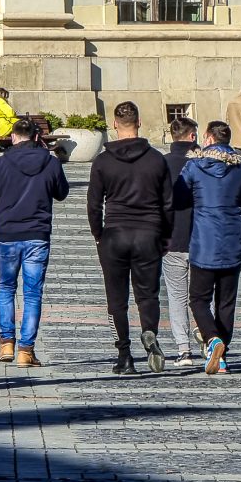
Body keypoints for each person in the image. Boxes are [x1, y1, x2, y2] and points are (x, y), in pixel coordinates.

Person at [0, 119, 70, 367]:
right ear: (36, 137)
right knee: (32, 293)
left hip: (7, 236)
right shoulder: (50, 162)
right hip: (37, 235)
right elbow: (62, 193)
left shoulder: (0, 164)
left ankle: (6, 343)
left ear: (14, 137)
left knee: (6, 288)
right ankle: (26, 351)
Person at [87, 101, 173, 375]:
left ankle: (124, 355)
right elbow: (168, 203)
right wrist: (166, 237)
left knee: (117, 299)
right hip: (148, 233)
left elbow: (93, 204)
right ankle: (149, 332)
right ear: (139, 123)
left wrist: (98, 234)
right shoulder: (156, 159)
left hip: (115, 233)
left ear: (114, 125)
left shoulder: (103, 161)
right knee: (148, 295)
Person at [177, 121, 241, 375]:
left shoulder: (195, 166)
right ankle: (222, 358)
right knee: (226, 303)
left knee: (197, 299)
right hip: (233, 243)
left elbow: (178, 197)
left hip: (204, 242)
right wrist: (237, 199)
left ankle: (212, 339)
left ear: (207, 138)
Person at [162, 116, 211, 367]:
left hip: (172, 239)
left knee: (177, 297)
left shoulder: (162, 164)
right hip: (203, 241)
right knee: (202, 297)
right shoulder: (205, 164)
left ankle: (184, 350)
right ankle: (207, 338)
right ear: (193, 137)